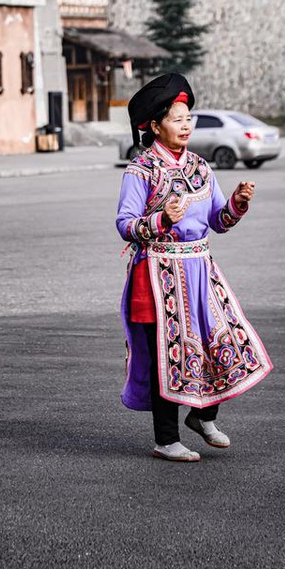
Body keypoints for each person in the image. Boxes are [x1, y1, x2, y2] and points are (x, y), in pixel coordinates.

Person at [116, 72, 272, 462]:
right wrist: (162, 219)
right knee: (167, 355)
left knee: (220, 342)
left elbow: (218, 220)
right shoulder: (142, 170)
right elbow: (125, 224)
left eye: (189, 119)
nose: (186, 126)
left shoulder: (201, 167)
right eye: (177, 119)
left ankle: (203, 415)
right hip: (157, 275)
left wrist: (236, 203)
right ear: (155, 126)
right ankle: (166, 439)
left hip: (201, 271)